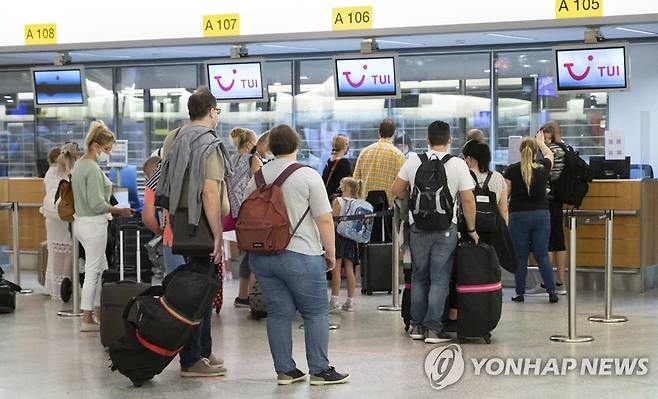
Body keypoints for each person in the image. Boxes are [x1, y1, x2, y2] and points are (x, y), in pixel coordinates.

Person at [244, 124, 349, 386]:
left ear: (269, 147)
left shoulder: (256, 178)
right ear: (296, 145)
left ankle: (285, 370)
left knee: (279, 312)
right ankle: (320, 370)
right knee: (315, 312)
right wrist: (330, 254)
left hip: (263, 256)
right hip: (301, 254)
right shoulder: (307, 175)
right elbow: (324, 220)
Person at [156, 86, 231, 377]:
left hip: (179, 222)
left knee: (197, 287)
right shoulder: (208, 143)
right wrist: (216, 235)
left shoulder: (174, 138)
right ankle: (192, 359)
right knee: (200, 292)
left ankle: (204, 349)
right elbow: (209, 192)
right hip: (201, 225)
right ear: (212, 111)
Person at [391, 120, 478, 344]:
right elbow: (468, 199)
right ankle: (433, 328)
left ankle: (416, 327)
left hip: (417, 227)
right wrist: (472, 228)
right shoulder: (458, 164)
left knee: (419, 276)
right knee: (439, 278)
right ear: (449, 140)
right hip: (445, 229)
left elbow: (396, 190)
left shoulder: (413, 161)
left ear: (427, 140)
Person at [71, 121, 134, 332]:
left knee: (102, 270)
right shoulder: (91, 167)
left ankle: (100, 311)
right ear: (97, 146)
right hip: (94, 225)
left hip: (81, 222)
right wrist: (120, 211)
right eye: (107, 149)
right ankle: (87, 316)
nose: (108, 153)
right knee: (93, 272)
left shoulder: (79, 164)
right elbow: (97, 204)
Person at [504, 131, 559, 304]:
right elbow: (550, 154)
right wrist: (541, 142)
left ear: (520, 151)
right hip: (541, 215)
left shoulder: (512, 170)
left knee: (520, 256)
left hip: (518, 215)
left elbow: (505, 194)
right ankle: (552, 292)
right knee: (542, 254)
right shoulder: (543, 167)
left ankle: (520, 293)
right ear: (536, 152)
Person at [227, 127, 262, 308]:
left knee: (245, 254)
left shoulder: (230, 160)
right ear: (249, 144)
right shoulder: (253, 160)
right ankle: (253, 295)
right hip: (252, 213)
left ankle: (242, 295)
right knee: (256, 254)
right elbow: (260, 184)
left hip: (235, 214)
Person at [40, 143, 79, 300]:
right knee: (66, 254)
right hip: (63, 218)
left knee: (61, 254)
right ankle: (64, 288)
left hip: (58, 219)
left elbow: (44, 197)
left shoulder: (52, 173)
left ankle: (60, 288)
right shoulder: (66, 173)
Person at [353, 119, 406, 207]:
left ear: (379, 132)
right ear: (394, 133)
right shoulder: (398, 155)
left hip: (365, 208)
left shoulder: (364, 152)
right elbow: (401, 184)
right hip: (387, 209)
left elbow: (355, 180)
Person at [328, 177, 362, 313]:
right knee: (350, 268)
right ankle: (350, 301)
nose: (339, 186)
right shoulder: (357, 202)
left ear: (346, 188)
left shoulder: (338, 201)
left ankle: (334, 300)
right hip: (351, 237)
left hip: (339, 236)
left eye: (341, 184)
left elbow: (333, 219)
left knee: (336, 269)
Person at [542, 121, 567, 295]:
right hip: (558, 199)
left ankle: (546, 283)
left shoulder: (550, 151)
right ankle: (560, 282)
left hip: (548, 199)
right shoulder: (563, 149)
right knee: (559, 240)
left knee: (549, 240)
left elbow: (544, 174)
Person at [322, 134, 352, 200]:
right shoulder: (344, 162)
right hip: (338, 201)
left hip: (328, 199)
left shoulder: (329, 162)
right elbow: (347, 185)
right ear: (345, 145)